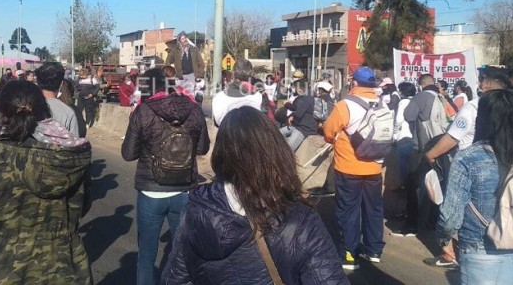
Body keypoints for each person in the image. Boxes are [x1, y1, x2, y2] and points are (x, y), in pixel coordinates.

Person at [162, 106, 349, 284]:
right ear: (277, 151)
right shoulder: (299, 217)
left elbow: (176, 277)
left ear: (221, 153)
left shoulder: (197, 208)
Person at [0, 80, 93, 284]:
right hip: (65, 269)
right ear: (43, 109)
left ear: (4, 114)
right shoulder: (75, 154)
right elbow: (83, 207)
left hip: (2, 268)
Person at [437, 90, 513, 285]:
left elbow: (450, 219)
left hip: (480, 254)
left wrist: (444, 239)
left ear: (483, 119)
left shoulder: (469, 157)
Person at [122, 68, 210, 285]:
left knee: (146, 256)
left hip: (151, 191)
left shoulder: (143, 111)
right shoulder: (193, 108)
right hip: (184, 190)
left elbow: (128, 154)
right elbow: (202, 149)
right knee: (183, 255)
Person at [417, 67, 511, 266]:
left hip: (469, 164)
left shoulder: (474, 106)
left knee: (455, 209)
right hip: (503, 164)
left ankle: (451, 254)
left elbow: (453, 137)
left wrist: (431, 154)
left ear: (486, 84)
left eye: (481, 81)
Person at [322, 65, 384, 270]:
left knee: (348, 211)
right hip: (375, 167)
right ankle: (374, 250)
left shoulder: (344, 105)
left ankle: (350, 254)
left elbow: (329, 132)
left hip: (349, 167)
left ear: (354, 83)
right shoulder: (382, 103)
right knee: (373, 209)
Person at [211, 59, 264, 126]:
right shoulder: (259, 98)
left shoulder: (218, 98)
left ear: (233, 74)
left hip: (225, 135)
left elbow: (216, 124)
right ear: (252, 75)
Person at [404, 74, 448, 153]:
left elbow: (408, 116)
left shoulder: (420, 96)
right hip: (443, 141)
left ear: (421, 86)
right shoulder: (442, 97)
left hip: (425, 143)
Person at [35, 62, 79, 136]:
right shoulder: (68, 112)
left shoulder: (26, 106)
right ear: (61, 83)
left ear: (37, 81)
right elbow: (75, 143)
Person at [279, 79, 317, 152]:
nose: (295, 91)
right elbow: (294, 106)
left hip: (304, 128)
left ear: (299, 89)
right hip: (296, 124)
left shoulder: (306, 98)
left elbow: (298, 114)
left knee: (288, 148)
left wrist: (293, 118)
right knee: (278, 133)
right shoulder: (302, 96)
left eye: (295, 89)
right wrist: (287, 104)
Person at [392, 81, 416, 192]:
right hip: (415, 136)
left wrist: (395, 134)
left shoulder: (403, 102)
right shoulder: (416, 101)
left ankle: (404, 185)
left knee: (403, 163)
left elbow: (398, 120)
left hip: (403, 135)